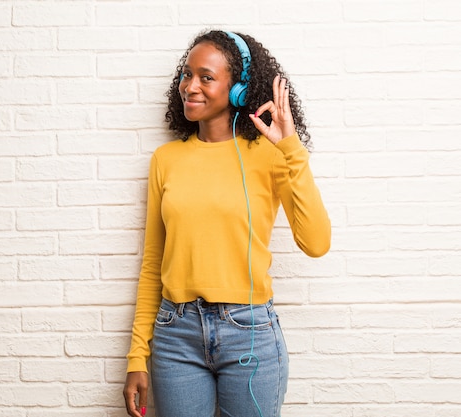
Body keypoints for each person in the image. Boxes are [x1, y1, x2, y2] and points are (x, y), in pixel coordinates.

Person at [123, 29, 331, 417]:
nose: (190, 86)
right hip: (175, 335)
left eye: (206, 77)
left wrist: (290, 148)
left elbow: (316, 242)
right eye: (187, 75)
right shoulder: (166, 160)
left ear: (238, 89)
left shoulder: (269, 156)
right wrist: (138, 354)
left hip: (248, 332)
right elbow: (153, 262)